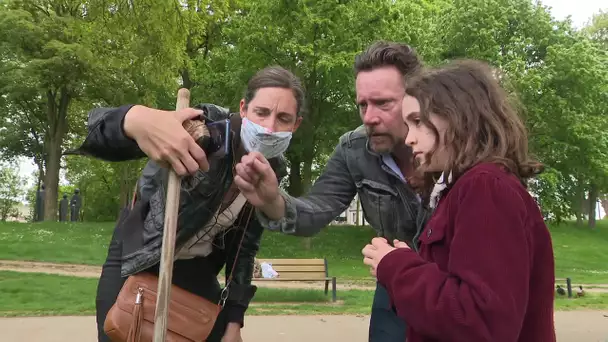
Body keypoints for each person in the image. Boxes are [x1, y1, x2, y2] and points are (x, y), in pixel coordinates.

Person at [71, 66, 305, 342]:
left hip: (199, 272)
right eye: (262, 113)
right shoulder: (205, 127)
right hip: (140, 259)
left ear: (296, 125)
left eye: (283, 118)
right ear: (243, 108)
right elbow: (99, 130)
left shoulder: (273, 170)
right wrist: (134, 119)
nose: (269, 127)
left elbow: (245, 247)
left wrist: (234, 320)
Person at [233, 41, 429, 341]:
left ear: (418, 100)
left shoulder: (457, 149)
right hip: (394, 292)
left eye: (383, 103)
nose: (368, 117)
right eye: (363, 104)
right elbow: (315, 212)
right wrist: (273, 200)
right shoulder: (353, 150)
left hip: (451, 292)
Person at [362, 60, 556, 342]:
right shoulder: (464, 189)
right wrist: (411, 265)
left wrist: (397, 267)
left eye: (417, 122)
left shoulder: (486, 188)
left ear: (458, 117)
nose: (409, 139)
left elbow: (480, 321)